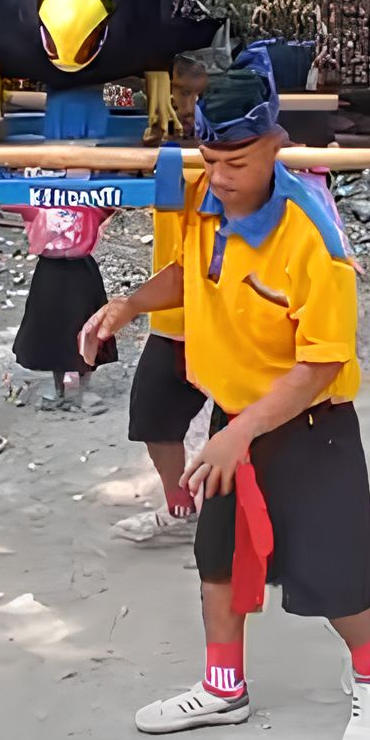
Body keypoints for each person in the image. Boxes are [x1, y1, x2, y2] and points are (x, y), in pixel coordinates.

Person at [80, 49, 370, 740]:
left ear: (276, 145)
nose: (219, 178)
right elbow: (192, 270)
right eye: (209, 159)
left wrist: (239, 434)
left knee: (334, 569)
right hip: (235, 418)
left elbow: (321, 365)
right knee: (217, 554)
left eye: (237, 163)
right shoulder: (206, 197)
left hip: (309, 424)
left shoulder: (313, 238)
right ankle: (224, 686)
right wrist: (129, 304)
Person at [115, 56, 210, 545]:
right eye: (176, 93)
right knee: (152, 416)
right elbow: (104, 105)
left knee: (247, 429)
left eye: (198, 95)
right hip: (172, 317)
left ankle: (267, 518)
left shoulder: (231, 154)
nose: (186, 106)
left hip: (227, 319)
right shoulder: (157, 145)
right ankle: (181, 508)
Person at [13, 202, 116, 412]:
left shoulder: (88, 197)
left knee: (87, 327)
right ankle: (59, 390)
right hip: (50, 271)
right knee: (52, 329)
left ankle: (83, 391)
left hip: (80, 268)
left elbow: (110, 207)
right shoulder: (39, 198)